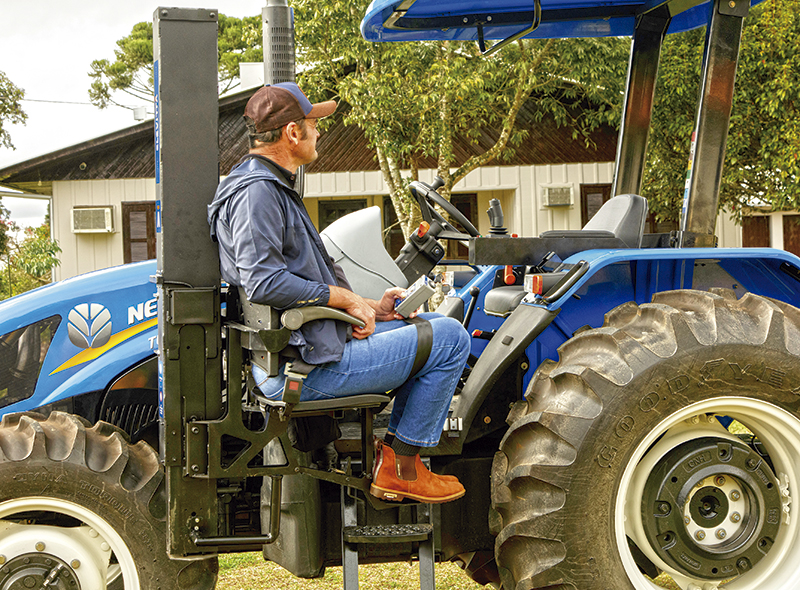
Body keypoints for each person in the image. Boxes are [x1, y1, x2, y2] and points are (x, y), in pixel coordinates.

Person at [207, 83, 470, 504]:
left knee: (434, 323)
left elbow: (298, 278)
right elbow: (264, 282)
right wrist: (346, 300)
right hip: (301, 371)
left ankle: (401, 460)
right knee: (453, 340)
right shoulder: (259, 194)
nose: (319, 133)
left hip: (306, 351)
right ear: (292, 133)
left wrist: (371, 307)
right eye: (314, 125)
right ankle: (402, 468)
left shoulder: (265, 186)